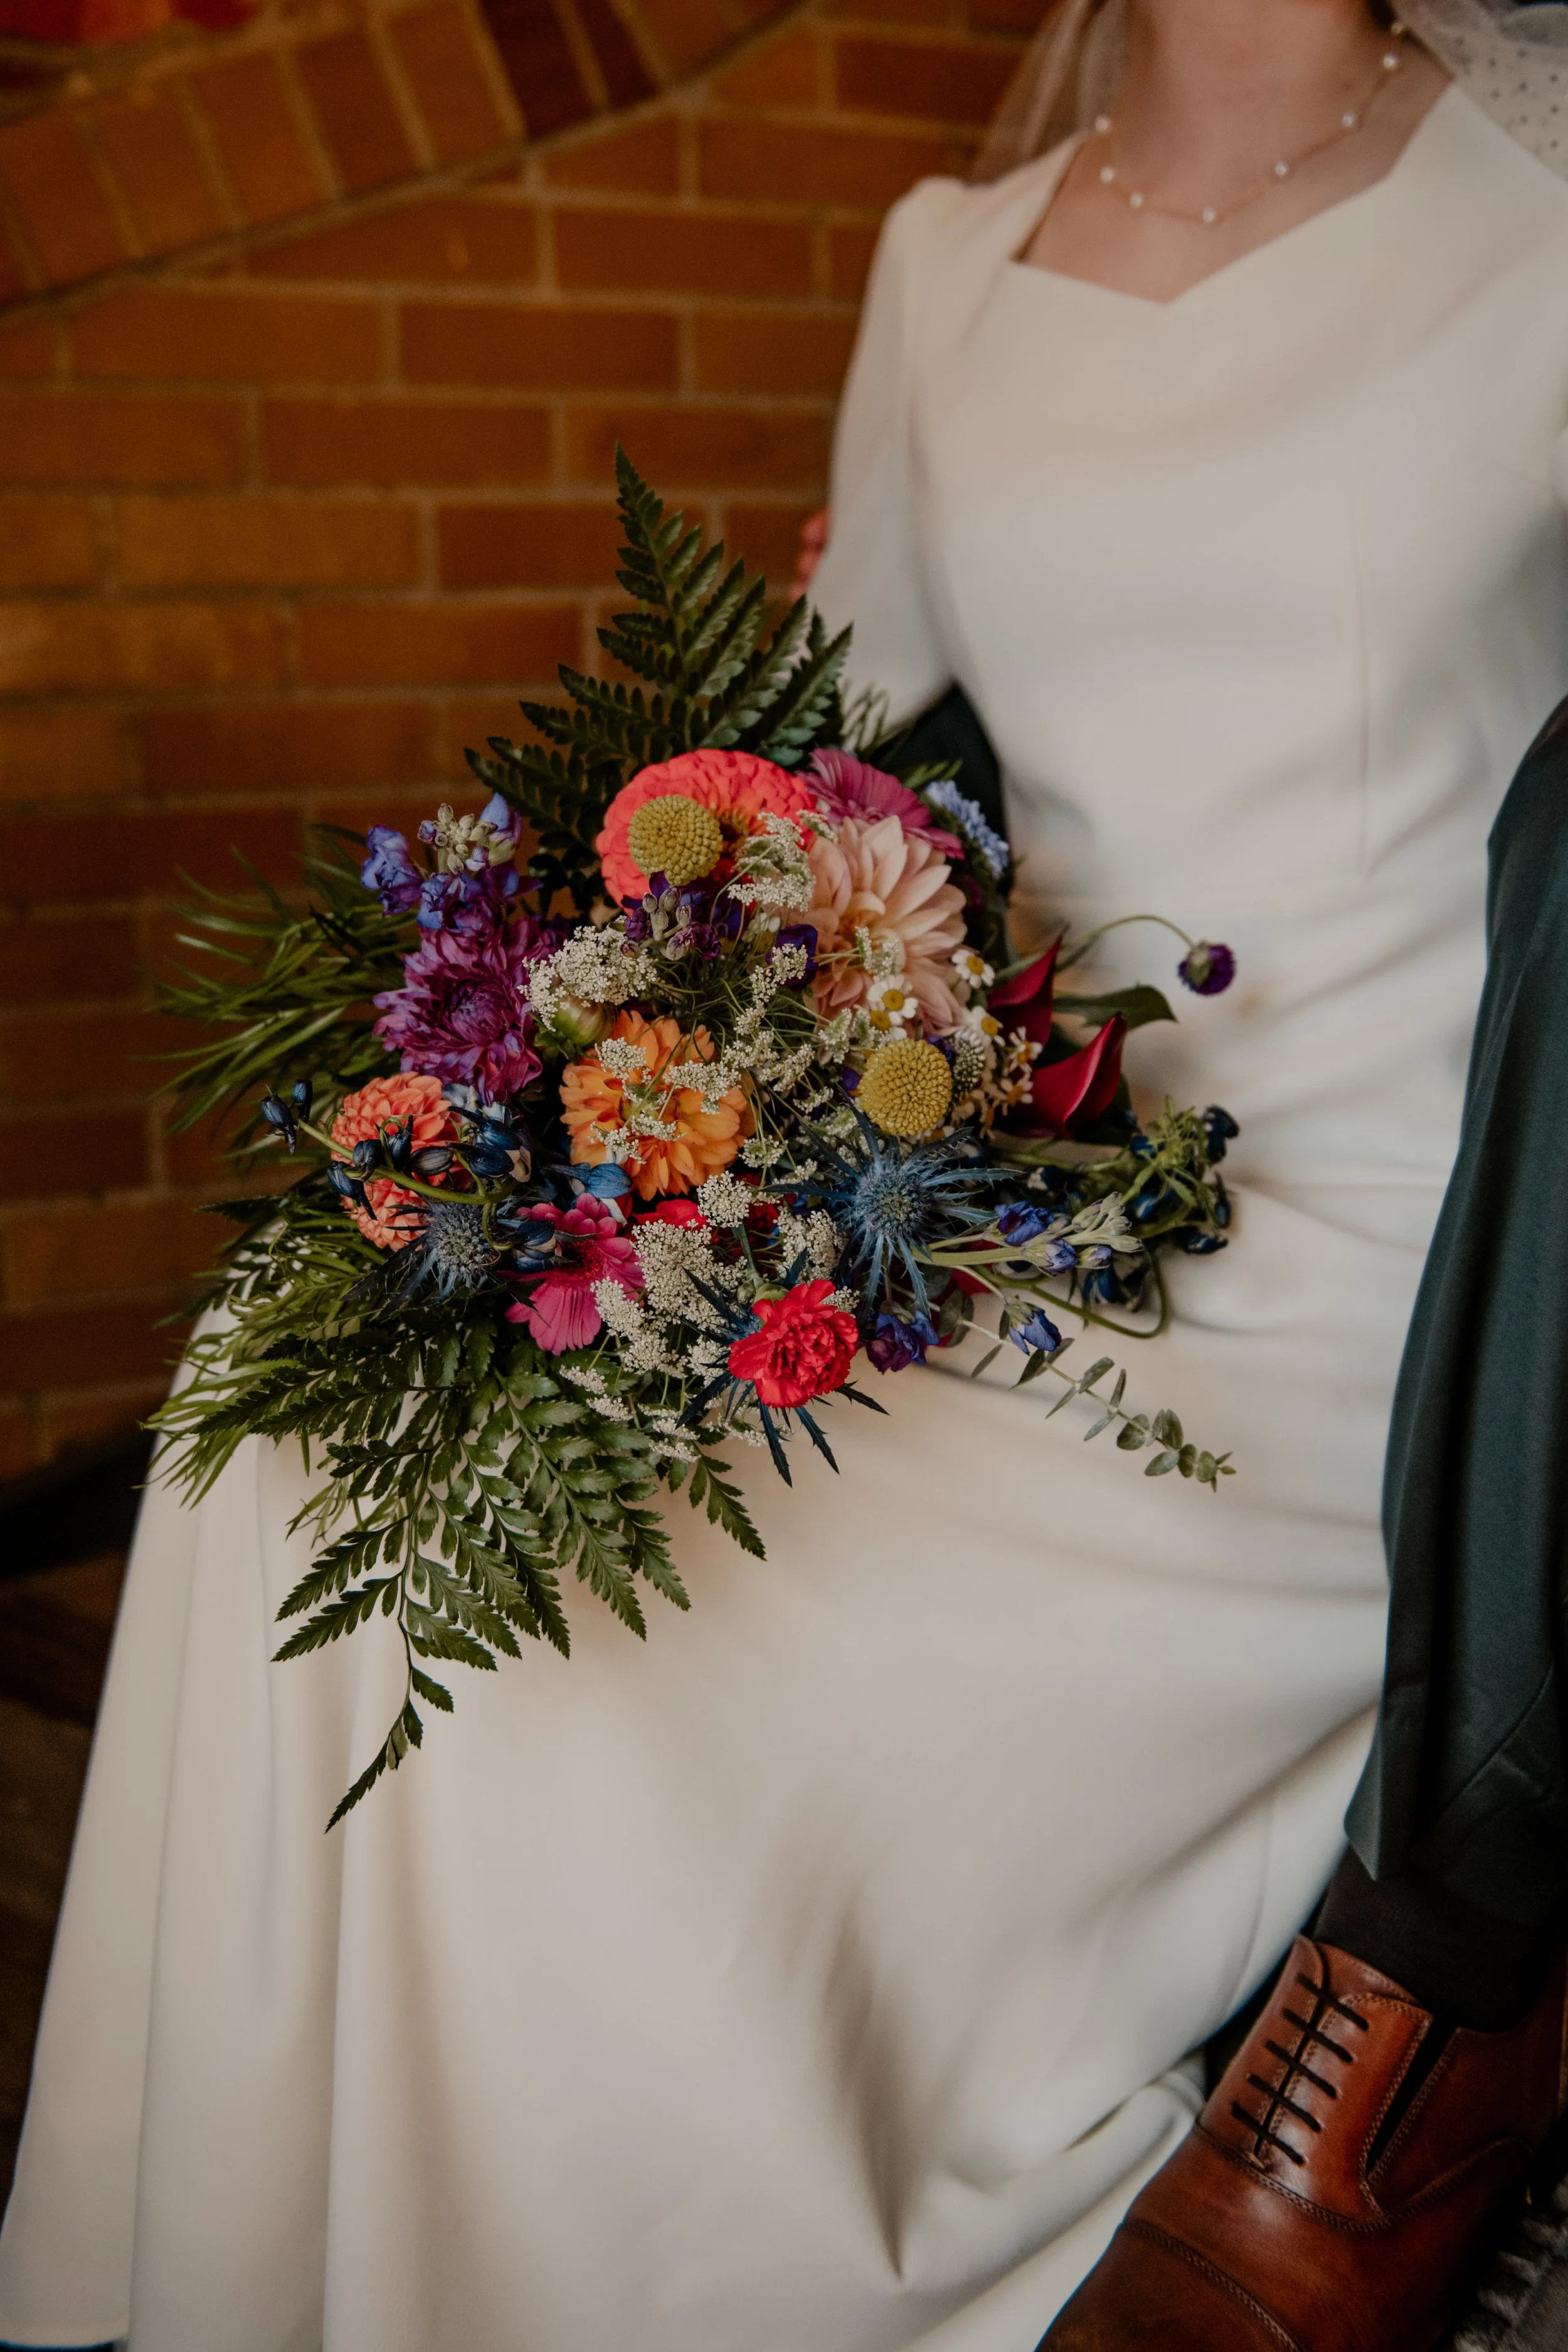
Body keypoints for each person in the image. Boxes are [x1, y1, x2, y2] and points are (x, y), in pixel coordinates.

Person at [3, 8, 1568, 2351]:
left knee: (608, 1681)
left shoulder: (1537, 207)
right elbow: (824, 757)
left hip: (1405, 1286)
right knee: (295, 1417)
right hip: (1024, 1209)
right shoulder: (943, 263)